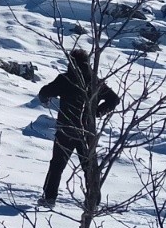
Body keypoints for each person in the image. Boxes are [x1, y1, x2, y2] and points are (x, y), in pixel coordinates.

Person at [36, 48, 119, 206]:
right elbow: (114, 99)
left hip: (66, 129)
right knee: (89, 167)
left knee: (57, 165)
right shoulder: (94, 82)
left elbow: (45, 92)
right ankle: (93, 202)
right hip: (87, 131)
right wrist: (97, 112)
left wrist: (44, 98)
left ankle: (49, 198)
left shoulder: (65, 79)